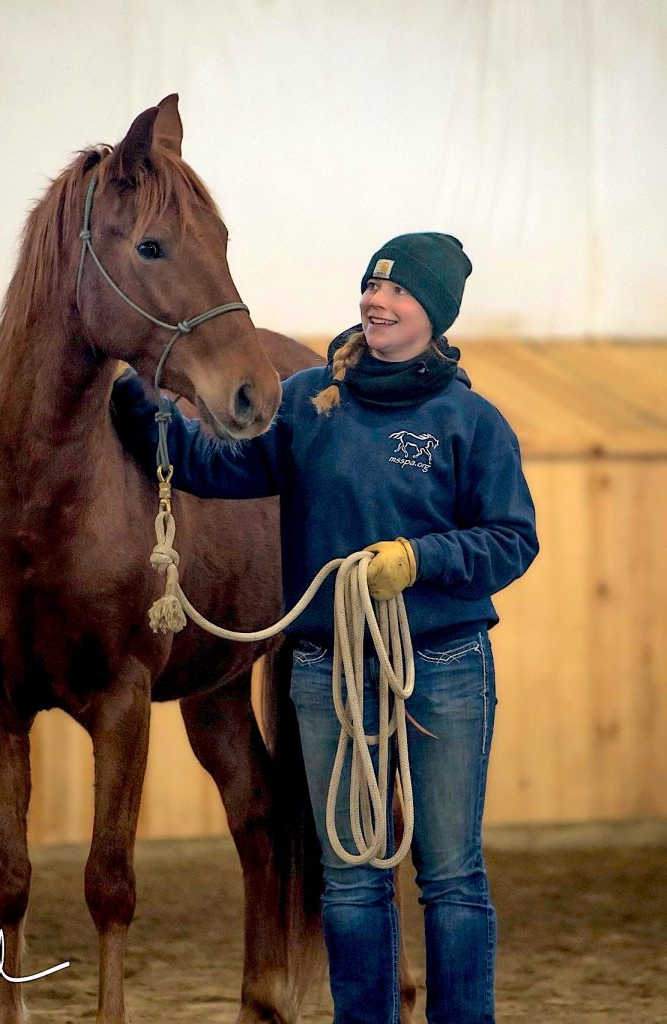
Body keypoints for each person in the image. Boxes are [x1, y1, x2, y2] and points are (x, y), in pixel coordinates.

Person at [109, 232, 539, 1024]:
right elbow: (215, 466)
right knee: (350, 878)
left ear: (434, 311)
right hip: (328, 669)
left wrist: (418, 559)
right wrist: (140, 410)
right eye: (372, 286)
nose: (376, 301)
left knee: (450, 875)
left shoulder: (470, 422)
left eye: (398, 291)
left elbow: (512, 539)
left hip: (442, 665)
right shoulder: (310, 403)